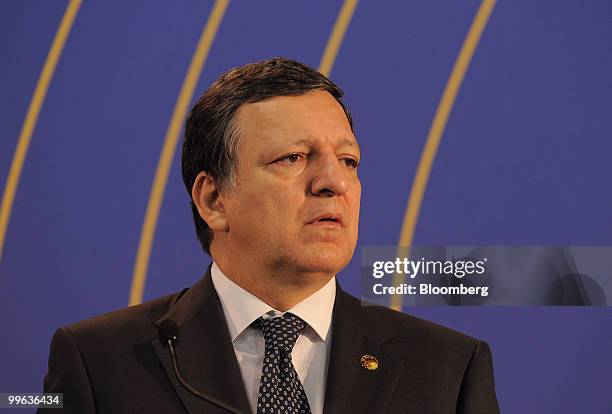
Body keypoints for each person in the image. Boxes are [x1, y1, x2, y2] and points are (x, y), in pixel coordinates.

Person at [39, 58, 500, 413]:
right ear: (214, 200)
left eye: (348, 161)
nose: (333, 183)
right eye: (294, 158)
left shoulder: (448, 368)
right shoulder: (98, 362)